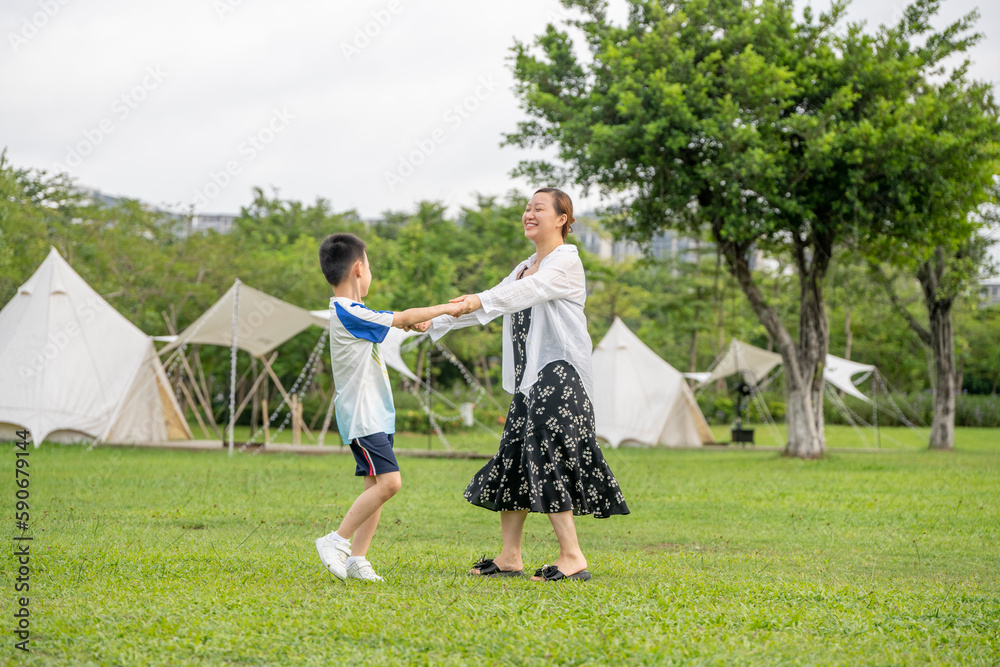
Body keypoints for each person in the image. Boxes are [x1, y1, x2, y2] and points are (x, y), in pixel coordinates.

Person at [429, 188, 629, 582]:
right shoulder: (524, 266)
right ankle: (510, 556)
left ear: (562, 218)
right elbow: (497, 301)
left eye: (539, 208)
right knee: (516, 454)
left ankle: (572, 557)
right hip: (529, 381)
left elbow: (520, 295)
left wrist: (474, 300)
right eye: (526, 208)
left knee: (547, 453)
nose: (528, 214)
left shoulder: (564, 262)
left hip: (560, 375)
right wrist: (436, 320)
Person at [315, 232, 458, 582]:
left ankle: (358, 559)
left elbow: (396, 324)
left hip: (375, 413)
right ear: (360, 269)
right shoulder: (345, 309)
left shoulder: (357, 313)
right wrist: (448, 308)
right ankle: (335, 539)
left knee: (375, 487)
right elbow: (401, 316)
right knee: (390, 484)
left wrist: (413, 325)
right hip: (362, 415)